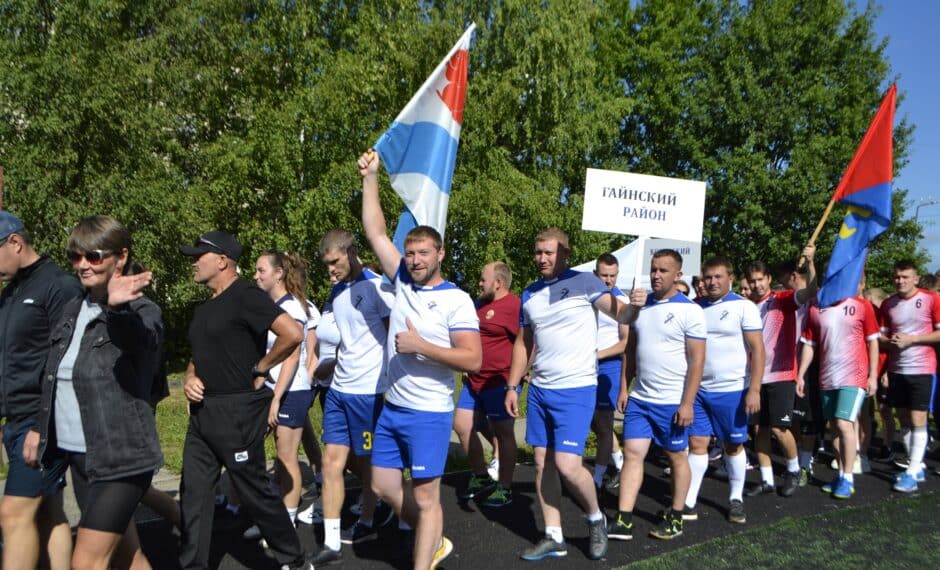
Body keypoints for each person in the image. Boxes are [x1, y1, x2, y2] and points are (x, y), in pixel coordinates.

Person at [359, 150, 481, 570]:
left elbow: (473, 359)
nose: (415, 260)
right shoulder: (402, 282)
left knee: (427, 497)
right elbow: (375, 232)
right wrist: (370, 177)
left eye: (423, 253)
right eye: (410, 253)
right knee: (382, 485)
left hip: (429, 413)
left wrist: (421, 346)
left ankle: (423, 556)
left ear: (440, 254)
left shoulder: (457, 300)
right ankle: (434, 540)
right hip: (393, 409)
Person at [28, 216, 162, 569]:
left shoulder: (141, 311)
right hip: (80, 454)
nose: (83, 265)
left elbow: (138, 340)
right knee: (127, 557)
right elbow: (54, 378)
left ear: (121, 257)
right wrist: (38, 429)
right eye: (75, 257)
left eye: (93, 256)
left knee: (86, 562)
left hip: (121, 457)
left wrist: (117, 309)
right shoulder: (73, 310)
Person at [505, 227, 643, 561]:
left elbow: (621, 313)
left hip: (576, 388)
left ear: (565, 253)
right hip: (540, 389)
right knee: (542, 463)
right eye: (538, 252)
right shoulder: (530, 293)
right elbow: (524, 344)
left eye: (549, 252)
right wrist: (512, 385)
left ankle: (596, 518)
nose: (541, 258)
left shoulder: (586, 282)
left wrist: (635, 307)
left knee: (567, 465)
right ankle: (554, 535)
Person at [178, 230, 309, 570]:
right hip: (203, 414)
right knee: (194, 494)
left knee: (254, 491)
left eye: (199, 256)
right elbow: (197, 357)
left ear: (222, 260)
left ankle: (295, 560)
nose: (193, 263)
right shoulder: (205, 308)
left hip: (237, 410)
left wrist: (262, 367)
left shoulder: (246, 295)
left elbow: (293, 334)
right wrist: (190, 377)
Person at [0, 210, 80, 570]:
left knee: (13, 513)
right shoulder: (10, 293)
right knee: (49, 512)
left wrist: (39, 426)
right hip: (16, 420)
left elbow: (64, 360)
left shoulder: (58, 286)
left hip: (42, 421)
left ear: (15, 242)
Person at [608, 249, 705, 542]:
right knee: (632, 454)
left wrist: (687, 403)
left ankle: (676, 516)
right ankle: (624, 519)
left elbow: (697, 360)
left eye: (663, 270)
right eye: (653, 269)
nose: (656, 275)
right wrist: (624, 387)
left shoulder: (690, 310)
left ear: (678, 275)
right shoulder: (641, 307)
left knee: (676, 456)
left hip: (671, 401)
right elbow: (630, 351)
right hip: (641, 398)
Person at [312, 229, 395, 565]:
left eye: (334, 262)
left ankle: (371, 516)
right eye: (326, 264)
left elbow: (393, 336)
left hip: (368, 392)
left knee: (366, 461)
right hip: (338, 389)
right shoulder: (337, 291)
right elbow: (344, 338)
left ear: (351, 252)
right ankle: (331, 543)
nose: (330, 270)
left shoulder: (377, 287)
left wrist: (394, 382)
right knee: (331, 462)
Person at [242, 250, 318, 539]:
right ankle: (272, 517)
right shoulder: (273, 306)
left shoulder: (293, 308)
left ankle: (286, 524)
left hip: (291, 391)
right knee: (271, 454)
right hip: (274, 389)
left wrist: (276, 398)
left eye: (261, 270)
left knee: (286, 457)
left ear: (279, 274)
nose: (256, 275)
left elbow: (292, 357)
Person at [684, 257, 764, 524]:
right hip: (698, 390)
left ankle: (735, 498)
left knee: (733, 445)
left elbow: (758, 350)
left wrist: (754, 389)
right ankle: (688, 502)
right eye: (708, 277)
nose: (712, 282)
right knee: (697, 444)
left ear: (730, 278)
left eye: (718, 277)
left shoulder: (744, 306)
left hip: (733, 390)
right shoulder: (694, 308)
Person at [744, 245, 816, 498]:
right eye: (752, 281)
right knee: (759, 430)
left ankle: (794, 470)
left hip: (781, 374)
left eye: (760, 280)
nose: (756, 285)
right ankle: (766, 479)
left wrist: (810, 263)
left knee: (779, 429)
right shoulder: (746, 307)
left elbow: (811, 291)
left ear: (768, 279)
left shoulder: (782, 299)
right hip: (754, 377)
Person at [797, 285, 879, 499]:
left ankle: (848, 478)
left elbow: (873, 341)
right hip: (827, 377)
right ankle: (841, 474)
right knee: (834, 428)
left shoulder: (862, 306)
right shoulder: (817, 307)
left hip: (854, 376)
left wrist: (873, 376)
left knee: (844, 424)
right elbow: (810, 344)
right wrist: (801, 374)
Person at [454, 261, 521, 508]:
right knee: (461, 425)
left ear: (498, 283)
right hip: (474, 379)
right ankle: (481, 476)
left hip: (499, 381)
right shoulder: (479, 304)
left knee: (504, 434)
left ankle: (505, 487)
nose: (479, 283)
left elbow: (528, 343)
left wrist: (521, 373)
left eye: (484, 279)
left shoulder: (514, 306)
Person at [879, 261, 940, 492]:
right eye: (897, 277)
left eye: (905, 277)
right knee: (903, 417)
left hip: (922, 368)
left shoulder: (931, 299)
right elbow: (880, 338)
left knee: (918, 417)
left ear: (915, 278)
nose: (900, 281)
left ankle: (912, 471)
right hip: (897, 369)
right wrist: (891, 342)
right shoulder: (888, 304)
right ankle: (917, 464)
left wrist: (912, 339)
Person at [590, 254, 628, 492]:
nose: (608, 280)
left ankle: (597, 477)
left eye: (613, 275)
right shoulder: (588, 296)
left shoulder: (621, 300)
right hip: (585, 366)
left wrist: (597, 354)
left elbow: (625, 343)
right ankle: (619, 460)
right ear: (596, 274)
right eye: (604, 275)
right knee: (593, 422)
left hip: (609, 366)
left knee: (603, 423)